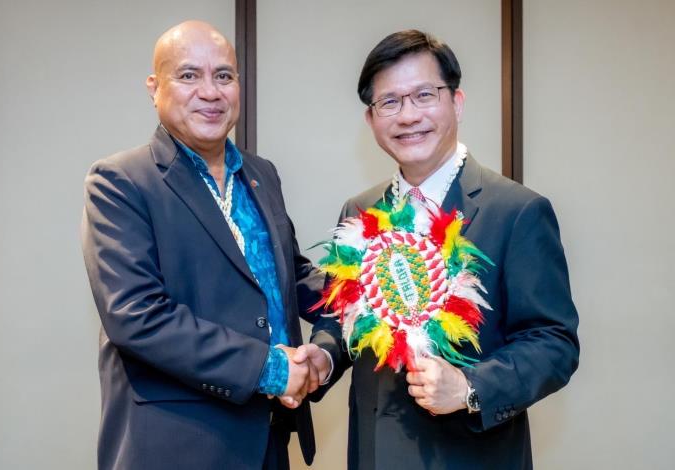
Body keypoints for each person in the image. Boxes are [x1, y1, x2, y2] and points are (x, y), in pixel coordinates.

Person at [317, 30, 580, 469]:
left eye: (424, 95)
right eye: (390, 102)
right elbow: (342, 320)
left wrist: (469, 387)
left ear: (456, 102)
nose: (407, 116)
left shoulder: (517, 211)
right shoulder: (360, 211)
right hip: (374, 454)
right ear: (371, 120)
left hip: (470, 456)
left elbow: (554, 342)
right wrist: (322, 356)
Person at [81, 20, 332, 470]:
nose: (211, 92)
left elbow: (290, 275)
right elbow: (137, 316)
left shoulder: (261, 173)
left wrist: (372, 291)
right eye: (189, 75)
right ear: (154, 87)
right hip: (177, 444)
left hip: (268, 437)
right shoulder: (121, 182)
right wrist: (270, 370)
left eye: (224, 76)